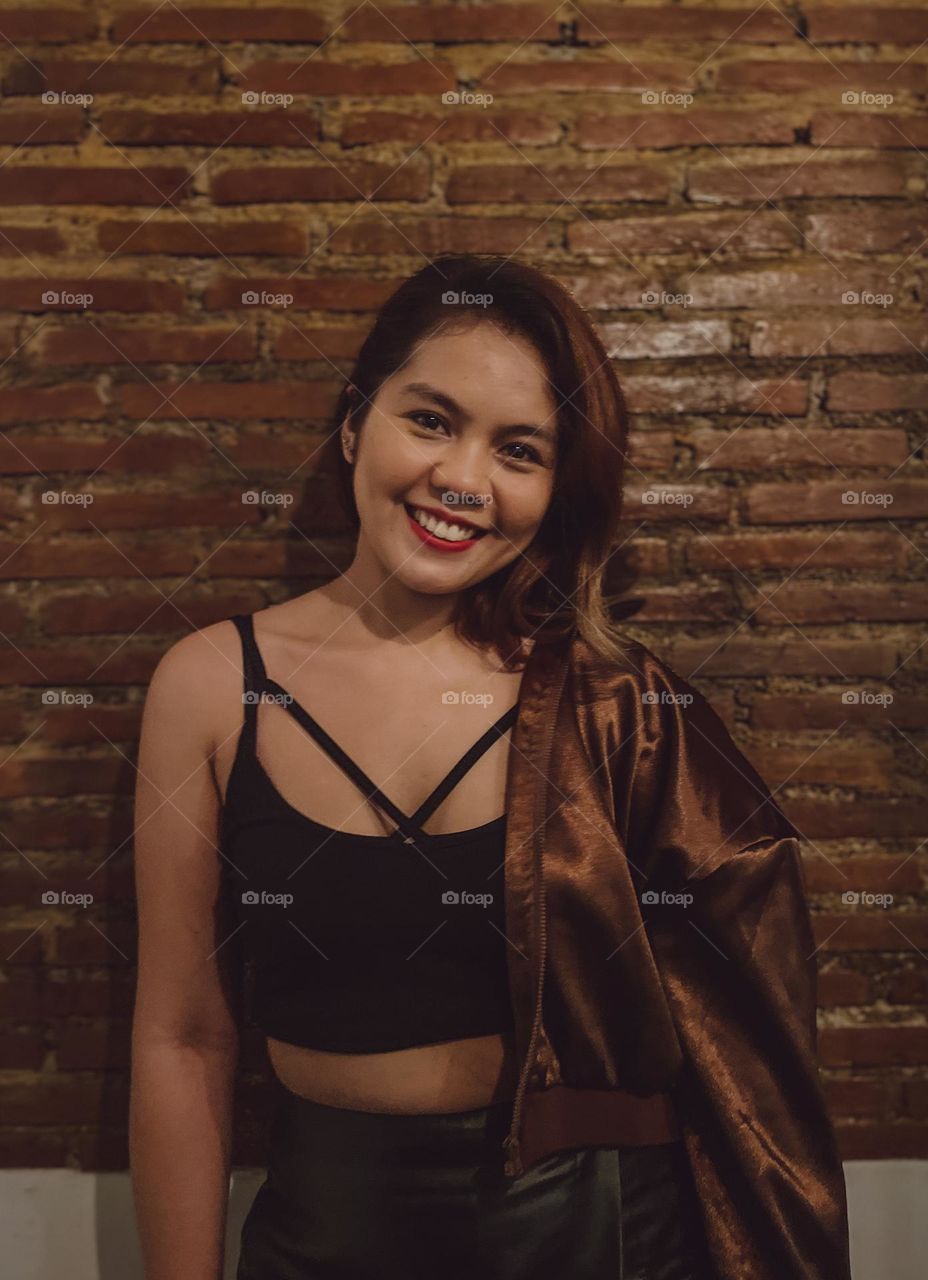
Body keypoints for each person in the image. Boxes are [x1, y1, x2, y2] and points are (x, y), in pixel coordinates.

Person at [129, 254, 852, 1280]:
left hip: (597, 1231)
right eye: (429, 419)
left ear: (558, 492)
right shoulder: (207, 684)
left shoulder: (620, 705)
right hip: (324, 1226)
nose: (462, 479)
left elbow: (748, 1040)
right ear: (353, 426)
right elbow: (184, 1037)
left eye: (519, 449)